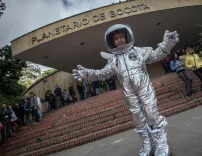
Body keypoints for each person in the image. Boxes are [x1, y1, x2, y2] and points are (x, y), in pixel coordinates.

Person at [73, 24, 179, 156]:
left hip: (144, 88)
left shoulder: (138, 51)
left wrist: (167, 44)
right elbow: (103, 73)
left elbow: (155, 55)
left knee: (151, 114)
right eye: (116, 38)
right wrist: (87, 74)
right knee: (138, 119)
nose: (119, 40)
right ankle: (148, 146)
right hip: (129, 94)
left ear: (127, 36)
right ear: (112, 42)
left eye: (121, 36)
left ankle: (161, 145)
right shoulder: (113, 59)